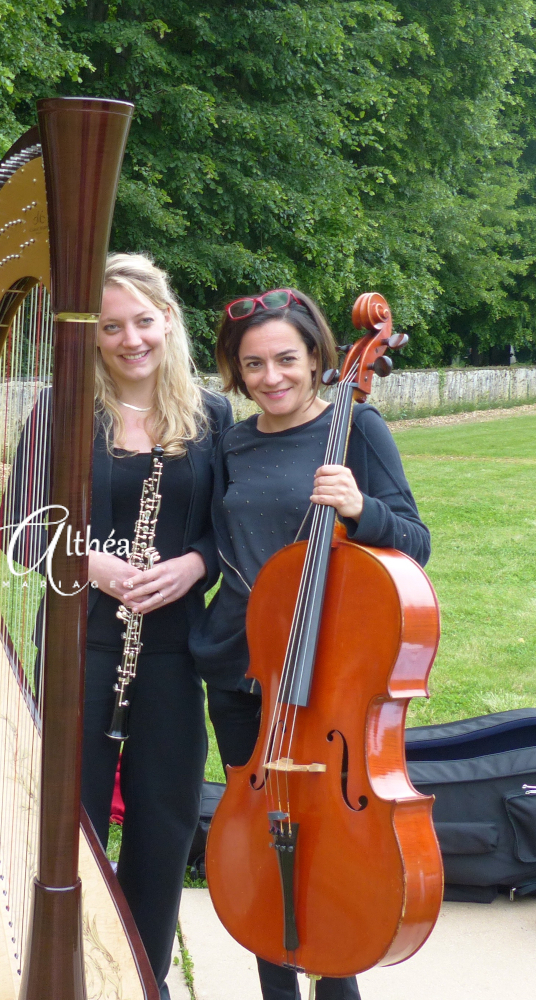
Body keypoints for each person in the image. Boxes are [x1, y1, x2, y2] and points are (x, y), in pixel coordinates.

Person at [190, 287, 430, 1000]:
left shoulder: (358, 428)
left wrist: (362, 509)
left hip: (326, 680)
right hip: (240, 667)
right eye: (253, 365)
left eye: (286, 360)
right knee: (265, 842)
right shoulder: (230, 441)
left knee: (328, 841)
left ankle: (336, 985)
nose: (271, 378)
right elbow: (218, 540)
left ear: (319, 357)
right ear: (235, 371)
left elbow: (414, 543)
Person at [4, 253, 231, 997]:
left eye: (142, 320)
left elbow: (226, 532)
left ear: (166, 318)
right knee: (73, 825)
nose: (130, 338)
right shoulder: (63, 408)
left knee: (164, 822)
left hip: (170, 649)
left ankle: (144, 978)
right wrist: (90, 563)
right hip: (80, 646)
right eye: (111, 326)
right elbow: (17, 530)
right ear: (92, 336)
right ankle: (74, 971)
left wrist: (194, 567)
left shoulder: (211, 415)